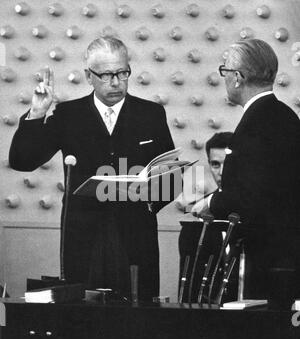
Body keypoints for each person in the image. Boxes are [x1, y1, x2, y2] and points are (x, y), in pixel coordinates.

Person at [9, 36, 175, 302]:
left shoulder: (151, 114)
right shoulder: (68, 115)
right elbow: (22, 160)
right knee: (83, 318)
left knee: (137, 316)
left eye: (123, 73)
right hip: (84, 237)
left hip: (135, 234)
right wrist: (37, 113)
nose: (116, 82)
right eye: (107, 75)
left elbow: (170, 179)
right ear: (89, 76)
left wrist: (146, 201)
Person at [192, 38, 300, 306]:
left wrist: (210, 202)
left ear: (238, 78)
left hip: (263, 258)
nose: (224, 79)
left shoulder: (254, 125)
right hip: (288, 253)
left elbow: (250, 195)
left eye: (225, 71)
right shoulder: (286, 116)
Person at [178, 132, 240, 303]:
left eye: (227, 164)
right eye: (215, 164)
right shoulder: (199, 214)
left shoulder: (261, 211)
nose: (221, 172)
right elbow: (187, 289)